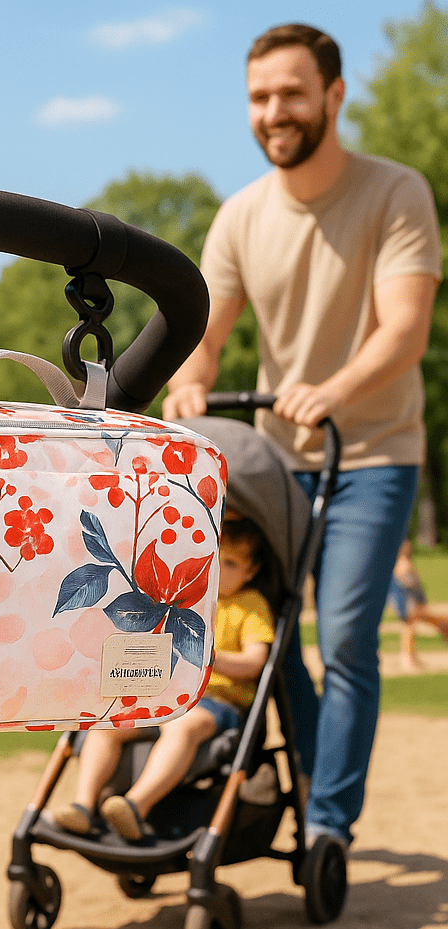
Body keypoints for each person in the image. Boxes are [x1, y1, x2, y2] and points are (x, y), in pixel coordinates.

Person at [162, 24, 442, 848]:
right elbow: (205, 332)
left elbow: (405, 328)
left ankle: (327, 825)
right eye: (259, 97)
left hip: (375, 451)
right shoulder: (242, 215)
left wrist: (335, 390)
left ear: (333, 95)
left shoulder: (395, 193)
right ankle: (312, 782)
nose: (273, 111)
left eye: (290, 93)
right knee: (280, 630)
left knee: (348, 633)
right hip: (279, 460)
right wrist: (190, 381)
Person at [52, 515, 275, 840]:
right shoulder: (187, 599)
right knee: (109, 725)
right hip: (166, 694)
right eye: (215, 558)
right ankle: (83, 805)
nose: (219, 569)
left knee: (183, 726)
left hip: (216, 701)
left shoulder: (250, 606)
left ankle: (135, 806)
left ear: (250, 571)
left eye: (231, 563)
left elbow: (255, 662)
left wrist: (211, 658)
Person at [387, 539, 448, 674]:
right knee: (410, 623)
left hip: (409, 594)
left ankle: (409, 657)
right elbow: (404, 576)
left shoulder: (400, 555)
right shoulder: (400, 558)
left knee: (411, 623)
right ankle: (407, 658)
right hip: (405, 595)